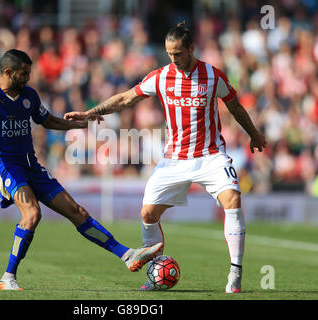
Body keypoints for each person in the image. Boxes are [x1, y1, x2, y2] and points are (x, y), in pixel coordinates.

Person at [0, 49, 163, 290]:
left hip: (31, 166)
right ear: (8, 72)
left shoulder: (29, 95)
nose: (28, 78)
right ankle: (7, 277)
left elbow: (47, 120)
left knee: (77, 211)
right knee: (32, 213)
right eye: (24, 73)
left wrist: (80, 123)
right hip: (6, 166)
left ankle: (127, 256)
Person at [64, 22, 267, 293]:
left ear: (191, 48)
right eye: (169, 54)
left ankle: (235, 273)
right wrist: (92, 112)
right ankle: (156, 274)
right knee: (148, 213)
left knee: (232, 199)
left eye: (179, 53)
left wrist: (254, 134)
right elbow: (126, 99)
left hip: (210, 155)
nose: (174, 59)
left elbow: (235, 107)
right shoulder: (160, 76)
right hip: (174, 159)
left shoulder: (212, 75)